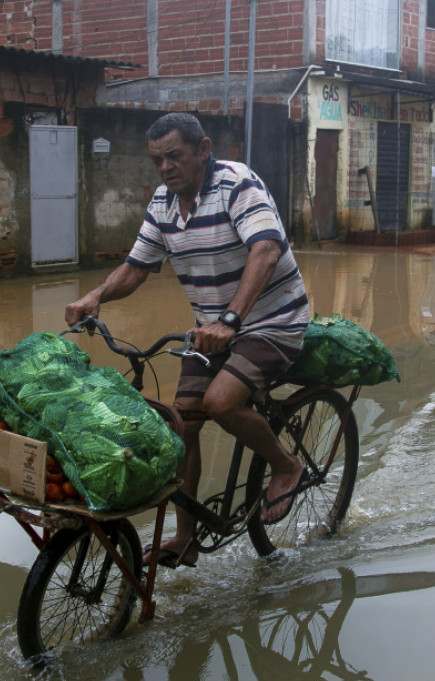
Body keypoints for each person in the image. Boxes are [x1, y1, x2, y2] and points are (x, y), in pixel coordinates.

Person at [65, 112, 309, 568]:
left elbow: (266, 249)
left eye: (174, 156)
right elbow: (138, 267)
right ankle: (186, 536)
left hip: (272, 323)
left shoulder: (237, 184)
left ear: (203, 149)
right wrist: (96, 295)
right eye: (157, 160)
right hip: (211, 332)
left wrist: (232, 319)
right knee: (180, 428)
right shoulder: (163, 203)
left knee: (220, 403)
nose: (165, 168)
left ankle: (285, 464)